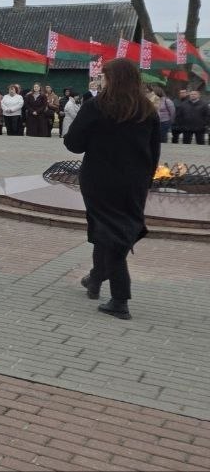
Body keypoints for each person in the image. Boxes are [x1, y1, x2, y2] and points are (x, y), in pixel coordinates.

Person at [64, 58, 160, 320]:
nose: (101, 81)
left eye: (104, 76)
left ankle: (119, 299)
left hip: (100, 180)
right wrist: (146, 182)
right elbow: (154, 153)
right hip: (134, 183)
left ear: (113, 79)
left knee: (112, 234)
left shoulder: (97, 107)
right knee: (108, 230)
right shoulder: (147, 110)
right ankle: (95, 279)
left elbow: (73, 143)